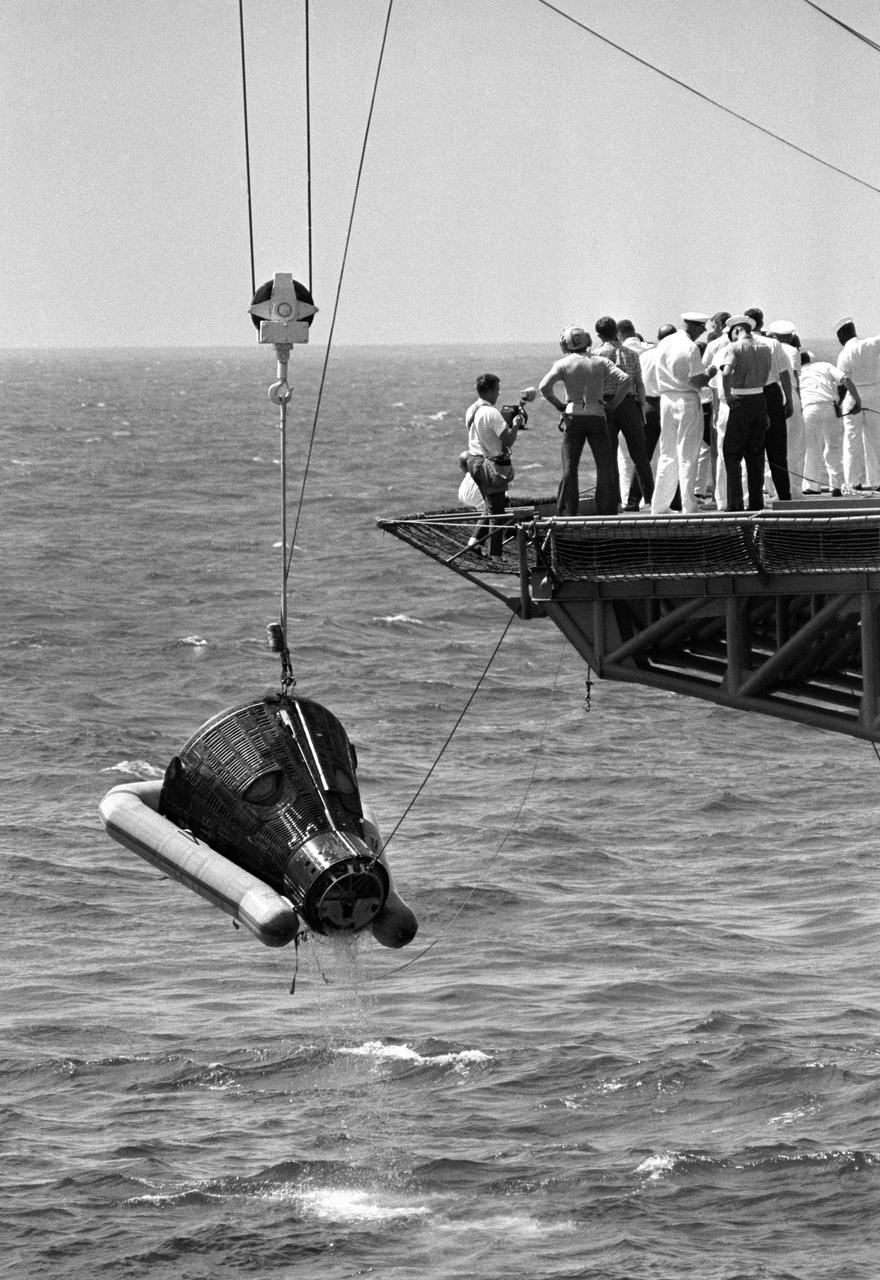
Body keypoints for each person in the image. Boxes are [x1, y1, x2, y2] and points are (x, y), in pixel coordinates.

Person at [538, 326, 630, 516]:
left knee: (570, 468)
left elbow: (544, 387)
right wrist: (612, 404)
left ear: (566, 344)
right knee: (605, 467)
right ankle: (606, 511)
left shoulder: (563, 364)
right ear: (587, 340)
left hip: (573, 415)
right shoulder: (600, 361)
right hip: (597, 414)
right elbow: (625, 380)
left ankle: (568, 513)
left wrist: (560, 405)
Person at [650, 312, 714, 515]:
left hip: (666, 400)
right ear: (695, 327)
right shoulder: (691, 347)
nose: (702, 333)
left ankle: (659, 506)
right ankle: (689, 506)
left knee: (667, 454)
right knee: (688, 454)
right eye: (702, 329)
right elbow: (697, 382)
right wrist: (711, 373)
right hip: (686, 399)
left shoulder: (664, 343)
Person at [593, 315, 655, 509]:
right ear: (616, 332)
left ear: (599, 335)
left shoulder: (597, 355)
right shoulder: (631, 354)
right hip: (630, 404)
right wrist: (642, 405)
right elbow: (639, 383)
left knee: (609, 455)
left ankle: (614, 501)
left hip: (606, 404)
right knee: (640, 455)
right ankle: (652, 499)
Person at [463, 372, 520, 560]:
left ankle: (474, 542)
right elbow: (508, 441)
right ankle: (495, 555)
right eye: (496, 390)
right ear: (488, 391)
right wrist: (516, 425)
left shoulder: (472, 410)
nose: (498, 394)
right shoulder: (491, 413)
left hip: (473, 461)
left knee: (489, 505)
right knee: (498, 513)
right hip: (488, 465)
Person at [717, 315, 771, 510]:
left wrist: (728, 396)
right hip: (759, 400)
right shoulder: (765, 348)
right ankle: (756, 503)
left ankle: (735, 504)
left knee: (731, 454)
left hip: (740, 401)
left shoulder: (734, 348)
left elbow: (725, 372)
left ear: (737, 330)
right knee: (755, 455)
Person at [744, 307, 794, 501]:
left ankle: (755, 499)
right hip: (771, 393)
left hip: (750, 395)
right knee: (777, 450)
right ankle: (784, 496)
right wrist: (789, 400)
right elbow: (784, 373)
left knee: (753, 451)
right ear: (762, 323)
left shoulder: (739, 344)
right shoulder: (773, 343)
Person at [799, 350, 860, 496]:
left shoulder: (798, 372)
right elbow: (845, 380)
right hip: (830, 407)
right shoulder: (824, 366)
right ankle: (836, 486)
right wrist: (857, 400)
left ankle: (812, 486)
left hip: (809, 409)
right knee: (834, 447)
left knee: (812, 448)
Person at [835, 317, 880, 490]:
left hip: (853, 397)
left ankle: (853, 482)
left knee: (852, 440)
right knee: (875, 438)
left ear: (841, 336)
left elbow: (843, 383)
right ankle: (877, 481)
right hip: (874, 394)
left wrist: (839, 405)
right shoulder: (871, 344)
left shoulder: (843, 354)